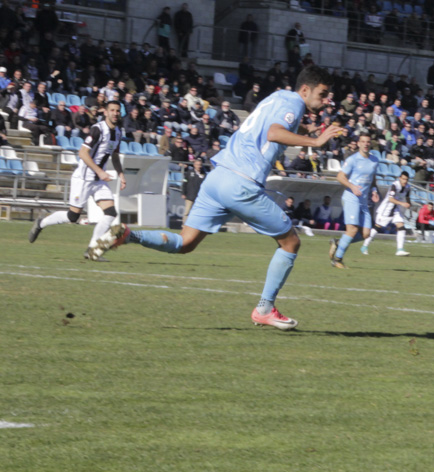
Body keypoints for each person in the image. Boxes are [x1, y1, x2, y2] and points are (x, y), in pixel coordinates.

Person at [96, 66, 343, 331]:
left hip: (217, 178)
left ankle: (128, 235)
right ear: (305, 89)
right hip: (241, 182)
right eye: (323, 93)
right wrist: (314, 142)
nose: (326, 100)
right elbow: (273, 132)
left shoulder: (279, 97)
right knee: (290, 242)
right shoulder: (293, 102)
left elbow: (266, 126)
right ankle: (264, 308)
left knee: (186, 242)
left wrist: (306, 127)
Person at [29, 101, 128, 260]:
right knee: (72, 217)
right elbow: (82, 153)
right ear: (106, 112)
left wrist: (121, 174)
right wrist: (100, 171)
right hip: (84, 178)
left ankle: (92, 250)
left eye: (118, 110)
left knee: (110, 213)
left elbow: (114, 155)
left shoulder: (117, 132)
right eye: (112, 110)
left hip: (98, 180)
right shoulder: (97, 129)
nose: (115, 113)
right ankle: (42, 223)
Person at [329, 133, 381, 267]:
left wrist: (374, 191)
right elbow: (340, 177)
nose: (365, 144)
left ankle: (338, 243)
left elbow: (372, 179)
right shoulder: (353, 159)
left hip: (364, 200)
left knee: (366, 234)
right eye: (363, 141)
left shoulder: (375, 160)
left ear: (370, 144)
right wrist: (352, 186)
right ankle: (337, 260)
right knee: (352, 230)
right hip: (351, 198)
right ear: (358, 144)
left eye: (368, 142)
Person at [371, 171, 413, 257]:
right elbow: (391, 199)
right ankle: (365, 245)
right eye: (403, 179)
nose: (405, 181)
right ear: (400, 178)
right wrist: (402, 204)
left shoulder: (408, 187)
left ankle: (400, 250)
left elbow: (408, 197)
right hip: (387, 209)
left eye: (407, 179)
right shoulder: (395, 185)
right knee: (378, 226)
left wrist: (408, 203)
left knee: (401, 227)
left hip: (396, 209)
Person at [181, 158, 206, 223]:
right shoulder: (189, 172)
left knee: (197, 213)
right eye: (197, 165)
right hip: (190, 196)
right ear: (194, 165)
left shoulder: (203, 174)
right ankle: (184, 225)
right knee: (187, 212)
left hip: (199, 197)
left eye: (200, 165)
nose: (199, 166)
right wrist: (183, 193)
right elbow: (184, 182)